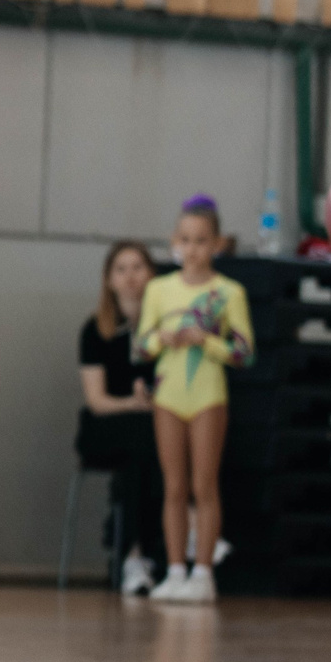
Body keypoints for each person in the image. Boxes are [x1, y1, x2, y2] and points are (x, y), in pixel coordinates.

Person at [136, 196, 253, 604]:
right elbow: (141, 346)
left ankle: (203, 571)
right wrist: (160, 339)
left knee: (204, 483)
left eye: (202, 240)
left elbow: (244, 351)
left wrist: (206, 340)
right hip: (168, 394)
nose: (192, 248)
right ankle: (174, 569)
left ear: (217, 244)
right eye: (185, 239)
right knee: (174, 485)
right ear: (174, 241)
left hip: (207, 395)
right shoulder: (158, 289)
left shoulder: (229, 292)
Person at [79, 241, 162, 596]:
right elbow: (97, 400)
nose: (130, 277)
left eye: (138, 267)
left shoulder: (163, 330)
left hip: (150, 431)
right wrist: (133, 402)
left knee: (146, 454)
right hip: (106, 425)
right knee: (143, 441)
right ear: (109, 280)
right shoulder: (96, 330)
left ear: (152, 274)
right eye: (121, 269)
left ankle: (133, 552)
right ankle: (142, 553)